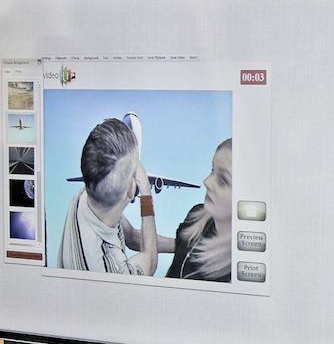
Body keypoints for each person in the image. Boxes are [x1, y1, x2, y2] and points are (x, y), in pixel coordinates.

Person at [59, 117, 158, 276]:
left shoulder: (86, 196)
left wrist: (180, 243)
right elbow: (150, 260)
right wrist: (146, 189)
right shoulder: (112, 271)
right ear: (131, 189)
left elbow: (133, 237)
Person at [165, 138, 232, 282]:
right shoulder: (197, 216)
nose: (206, 182)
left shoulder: (236, 270)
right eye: (212, 171)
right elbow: (179, 246)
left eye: (223, 180)